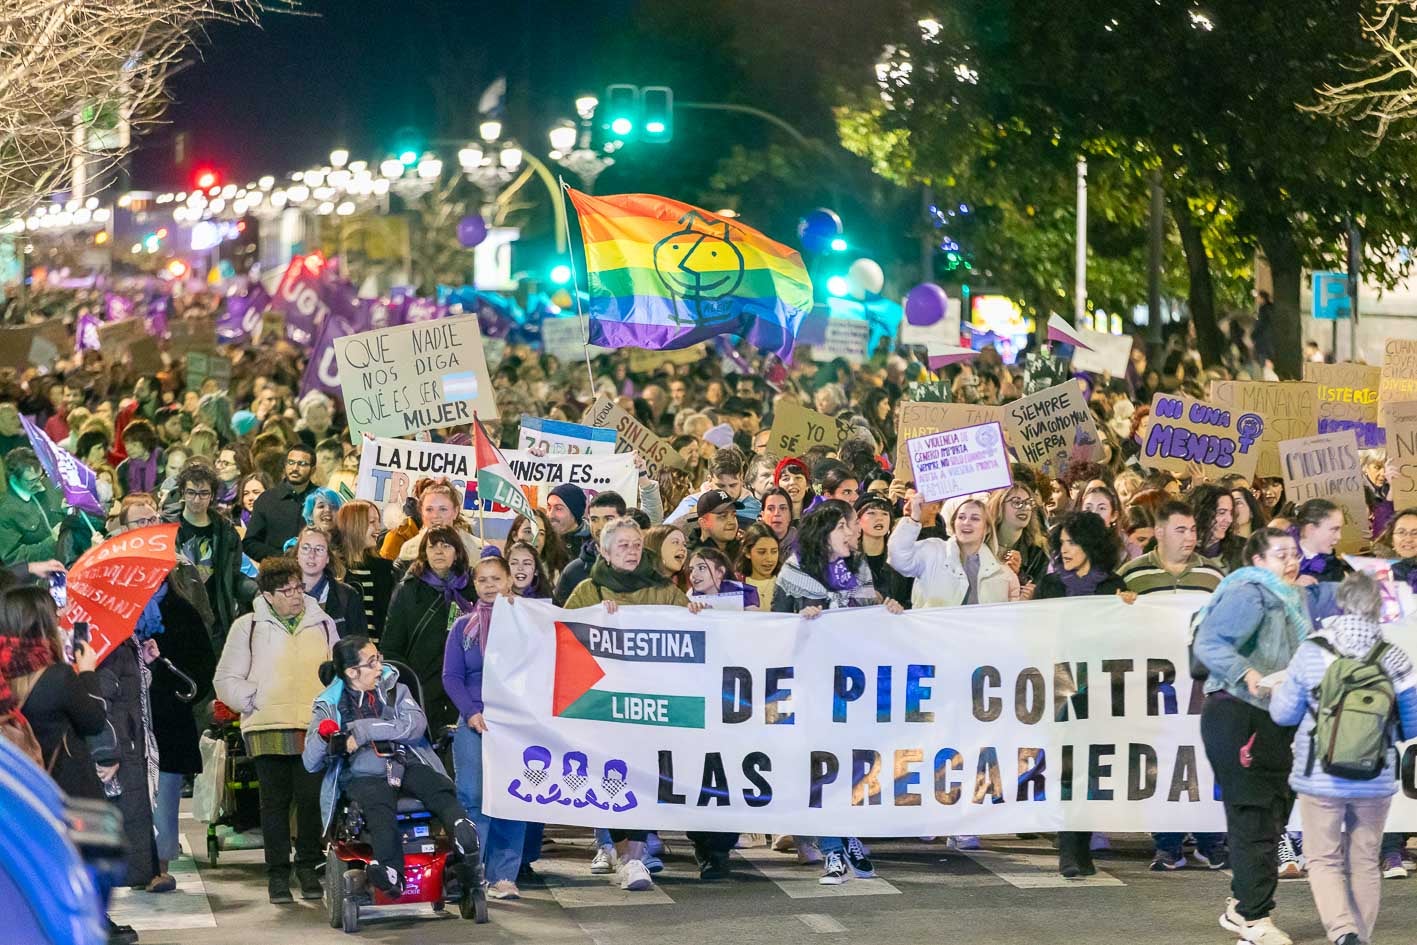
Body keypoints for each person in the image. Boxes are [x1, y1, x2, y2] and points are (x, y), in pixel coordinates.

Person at [1269, 572, 1417, 945]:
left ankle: (1342, 931)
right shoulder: (1394, 656)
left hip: (1319, 776)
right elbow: (1413, 721)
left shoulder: (1312, 649)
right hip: (1375, 777)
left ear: (1340, 604)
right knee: (1365, 861)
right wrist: (1379, 735)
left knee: (1324, 859)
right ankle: (1360, 939)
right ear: (1378, 608)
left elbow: (1284, 714)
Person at [562, 517, 705, 889]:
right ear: (605, 552)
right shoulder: (587, 592)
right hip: (606, 710)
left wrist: (693, 614)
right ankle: (624, 853)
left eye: (636, 544)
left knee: (644, 776)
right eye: (622, 545)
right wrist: (593, 620)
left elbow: (693, 638)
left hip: (651, 708)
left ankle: (633, 857)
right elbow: (562, 637)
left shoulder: (664, 590)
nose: (631, 550)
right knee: (616, 776)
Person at [1192, 527, 1315, 945]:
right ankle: (1254, 916)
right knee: (1255, 815)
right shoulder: (1250, 592)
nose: (1291, 560)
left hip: (1276, 716)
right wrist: (1247, 673)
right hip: (1240, 713)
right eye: (1280, 554)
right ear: (1258, 561)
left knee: (1271, 813)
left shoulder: (1294, 598)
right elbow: (1210, 642)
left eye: (1294, 552)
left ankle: (1243, 903)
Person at [772, 499, 904, 884]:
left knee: (854, 764)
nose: (855, 532)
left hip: (852, 685)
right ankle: (832, 849)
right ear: (826, 532)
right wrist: (800, 621)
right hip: (811, 687)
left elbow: (871, 621)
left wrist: (888, 609)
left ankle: (851, 834)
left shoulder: (859, 569)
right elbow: (772, 629)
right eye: (846, 527)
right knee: (821, 766)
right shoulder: (793, 573)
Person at [0, 583, 137, 945]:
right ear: (40, 624)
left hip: (22, 786)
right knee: (84, 853)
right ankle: (93, 919)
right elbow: (92, 718)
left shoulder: (5, 676)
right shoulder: (58, 677)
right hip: (67, 780)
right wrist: (87, 670)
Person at [305, 636, 482, 900]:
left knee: (434, 783)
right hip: (363, 775)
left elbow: (414, 725)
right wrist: (324, 738)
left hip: (404, 761)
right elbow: (310, 762)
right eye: (372, 662)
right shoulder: (329, 705)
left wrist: (363, 731)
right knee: (378, 806)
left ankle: (462, 829)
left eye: (379, 658)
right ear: (352, 672)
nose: (380, 667)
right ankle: (389, 870)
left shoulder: (395, 689)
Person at [214, 555, 340, 903]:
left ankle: (309, 869)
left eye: (298, 588)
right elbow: (226, 679)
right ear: (267, 594)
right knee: (274, 804)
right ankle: (277, 876)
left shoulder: (324, 622)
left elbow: (339, 674)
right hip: (267, 725)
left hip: (314, 727)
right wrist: (250, 699)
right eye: (285, 590)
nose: (295, 595)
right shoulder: (248, 625)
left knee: (311, 801)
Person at [1034, 511, 1127, 878]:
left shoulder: (1114, 587)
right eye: (1061, 543)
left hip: (1100, 686)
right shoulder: (1052, 586)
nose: (1065, 549)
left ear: (1091, 544)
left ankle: (1080, 842)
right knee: (1069, 766)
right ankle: (1070, 849)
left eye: (1072, 542)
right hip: (1060, 683)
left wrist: (1131, 610)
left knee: (1093, 766)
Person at [443, 554, 526, 899]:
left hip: (516, 725)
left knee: (512, 798)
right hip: (473, 722)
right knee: (473, 797)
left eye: (496, 579)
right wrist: (471, 712)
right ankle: (473, 871)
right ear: (474, 584)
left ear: (509, 580)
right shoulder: (463, 627)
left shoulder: (528, 622)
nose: (489, 586)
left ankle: (504, 875)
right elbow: (452, 676)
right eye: (482, 580)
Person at [382, 525, 475, 731]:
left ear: (457, 552)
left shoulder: (471, 588)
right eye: (432, 546)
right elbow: (391, 645)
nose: (439, 551)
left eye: (446, 545)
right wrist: (408, 684)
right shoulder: (408, 589)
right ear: (425, 552)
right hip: (421, 687)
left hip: (462, 687)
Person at [888, 493, 1020, 609]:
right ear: (953, 523)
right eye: (961, 517)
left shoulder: (1002, 574)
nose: (966, 522)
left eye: (975, 518)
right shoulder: (933, 550)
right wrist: (914, 517)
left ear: (987, 529)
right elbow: (898, 559)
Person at [171, 462, 243, 647]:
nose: (197, 499)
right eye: (191, 492)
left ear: (211, 496)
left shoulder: (226, 532)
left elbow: (234, 576)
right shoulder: (166, 529)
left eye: (203, 493)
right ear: (182, 493)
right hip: (178, 618)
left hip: (216, 620)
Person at [1117, 501, 1226, 597]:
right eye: (1181, 531)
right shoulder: (1130, 574)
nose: (1190, 537)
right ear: (1160, 533)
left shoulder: (1213, 574)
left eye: (1193, 530)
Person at [243, 444, 319, 561]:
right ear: (285, 466)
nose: (295, 468)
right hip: (276, 571)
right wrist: (282, 557)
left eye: (302, 464)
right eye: (291, 462)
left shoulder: (321, 499)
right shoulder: (267, 499)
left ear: (313, 470)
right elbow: (250, 543)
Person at [552, 491, 627, 606]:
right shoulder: (573, 572)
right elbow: (558, 618)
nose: (600, 526)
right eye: (594, 519)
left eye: (608, 519)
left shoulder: (643, 568)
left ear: (624, 520)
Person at [293, 526, 366, 639]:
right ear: (297, 554)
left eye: (319, 549)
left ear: (328, 557)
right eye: (306, 548)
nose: (312, 555)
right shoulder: (280, 593)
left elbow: (359, 644)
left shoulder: (347, 596)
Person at [335, 499, 394, 638]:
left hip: (375, 654)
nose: (378, 528)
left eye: (378, 521)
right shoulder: (332, 567)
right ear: (353, 525)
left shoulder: (384, 568)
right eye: (372, 522)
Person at [393, 479, 483, 567]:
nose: (435, 515)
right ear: (421, 512)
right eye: (429, 509)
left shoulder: (478, 549)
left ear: (455, 512)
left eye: (443, 509)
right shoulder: (409, 550)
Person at [0, 447, 61, 567]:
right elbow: (13, 558)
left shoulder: (50, 484)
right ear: (14, 479)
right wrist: (50, 543)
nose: (39, 484)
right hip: (42, 575)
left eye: (40, 476)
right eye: (32, 481)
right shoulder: (5, 512)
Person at [987, 481, 1048, 596]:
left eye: (1028, 503)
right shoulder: (981, 544)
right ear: (999, 505)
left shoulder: (1037, 553)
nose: (1024, 508)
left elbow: (1038, 594)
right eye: (1017, 502)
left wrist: (1018, 575)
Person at [1294, 498, 1353, 585]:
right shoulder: (1281, 560)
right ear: (1310, 529)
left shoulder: (1332, 565)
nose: (1339, 537)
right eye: (1334, 529)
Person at [686, 545, 760, 609]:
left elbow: (755, 622)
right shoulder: (690, 595)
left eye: (702, 568)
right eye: (691, 570)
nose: (693, 574)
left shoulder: (743, 593)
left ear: (720, 572)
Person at [1191, 483, 1243, 572]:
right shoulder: (1179, 548)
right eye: (1222, 512)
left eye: (1230, 513)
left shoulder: (1242, 551)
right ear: (1202, 513)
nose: (1229, 520)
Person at [736, 521, 781, 611]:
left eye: (774, 551)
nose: (769, 559)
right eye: (761, 552)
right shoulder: (736, 584)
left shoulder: (786, 584)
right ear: (747, 552)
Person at [689, 488, 742, 560]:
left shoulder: (742, 552)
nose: (731, 522)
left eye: (734, 515)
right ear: (703, 523)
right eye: (723, 516)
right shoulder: (690, 558)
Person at [546, 482, 590, 559]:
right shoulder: (542, 540)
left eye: (558, 508)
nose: (550, 515)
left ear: (575, 512)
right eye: (549, 508)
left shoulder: (592, 545)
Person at [233, 471, 271, 538]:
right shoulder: (233, 524)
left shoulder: (279, 519)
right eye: (246, 493)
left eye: (256, 492)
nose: (250, 498)